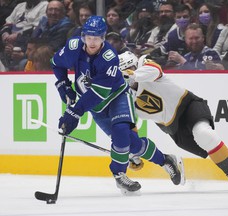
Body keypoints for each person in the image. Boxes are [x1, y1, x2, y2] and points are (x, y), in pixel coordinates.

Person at [51, 15, 183, 195]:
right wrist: (63, 84)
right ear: (83, 36)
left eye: (96, 38)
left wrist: (74, 113)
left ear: (102, 38)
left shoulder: (108, 57)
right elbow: (56, 64)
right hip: (96, 107)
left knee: (121, 132)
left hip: (117, 96)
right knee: (132, 144)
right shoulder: (73, 48)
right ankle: (166, 160)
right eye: (89, 37)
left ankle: (119, 175)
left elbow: (99, 92)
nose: (92, 42)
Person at [118, 50, 228, 189]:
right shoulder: (125, 97)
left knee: (204, 134)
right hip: (173, 128)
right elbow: (130, 125)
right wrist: (131, 153)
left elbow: (155, 70)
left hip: (188, 106)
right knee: (210, 146)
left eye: (131, 68)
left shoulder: (145, 63)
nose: (129, 76)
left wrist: (133, 74)